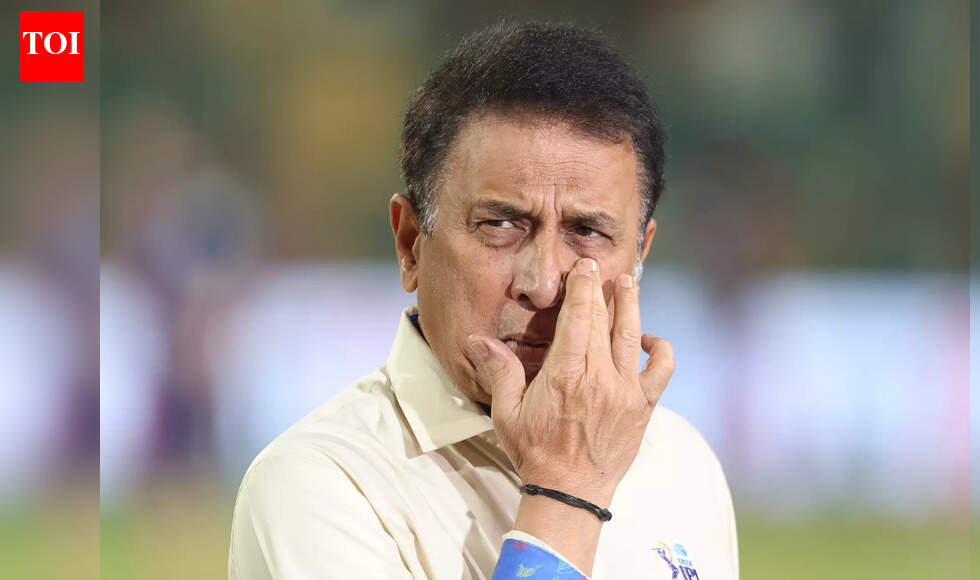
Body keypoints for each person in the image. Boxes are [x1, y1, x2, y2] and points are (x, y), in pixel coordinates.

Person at [228, 20, 737, 579]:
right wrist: (567, 490)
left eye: (587, 232)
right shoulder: (321, 486)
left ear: (640, 255)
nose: (543, 284)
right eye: (501, 224)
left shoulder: (683, 464)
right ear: (410, 244)